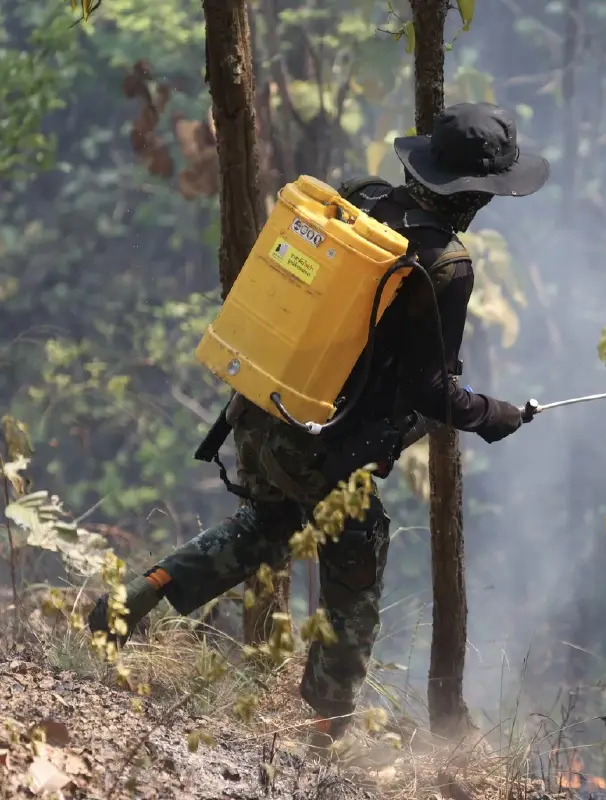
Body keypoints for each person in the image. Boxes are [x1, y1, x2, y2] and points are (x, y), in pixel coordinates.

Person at [86, 102, 550, 746]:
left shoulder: (359, 199)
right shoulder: (442, 264)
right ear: (472, 194)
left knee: (268, 524)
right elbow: (430, 388)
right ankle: (326, 731)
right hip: (322, 443)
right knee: (357, 570)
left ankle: (137, 595)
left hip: (261, 408)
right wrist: (491, 415)